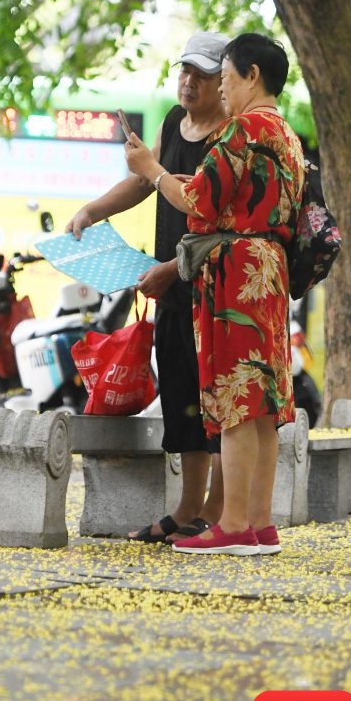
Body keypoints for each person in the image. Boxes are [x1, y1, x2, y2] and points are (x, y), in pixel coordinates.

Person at [124, 32, 306, 556]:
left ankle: (233, 524)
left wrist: (152, 170)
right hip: (270, 269)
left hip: (235, 273)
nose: (221, 89)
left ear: (252, 76)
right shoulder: (285, 133)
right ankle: (260, 524)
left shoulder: (242, 129)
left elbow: (197, 202)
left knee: (235, 399)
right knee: (263, 403)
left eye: (225, 77)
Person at [65, 32, 229, 542]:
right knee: (182, 403)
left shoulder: (231, 135)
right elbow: (144, 181)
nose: (189, 82)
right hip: (172, 294)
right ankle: (187, 508)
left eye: (202, 75)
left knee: (219, 407)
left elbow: (213, 216)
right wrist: (93, 210)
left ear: (224, 82)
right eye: (185, 72)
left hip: (215, 294)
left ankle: (218, 512)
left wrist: (173, 267)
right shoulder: (173, 123)